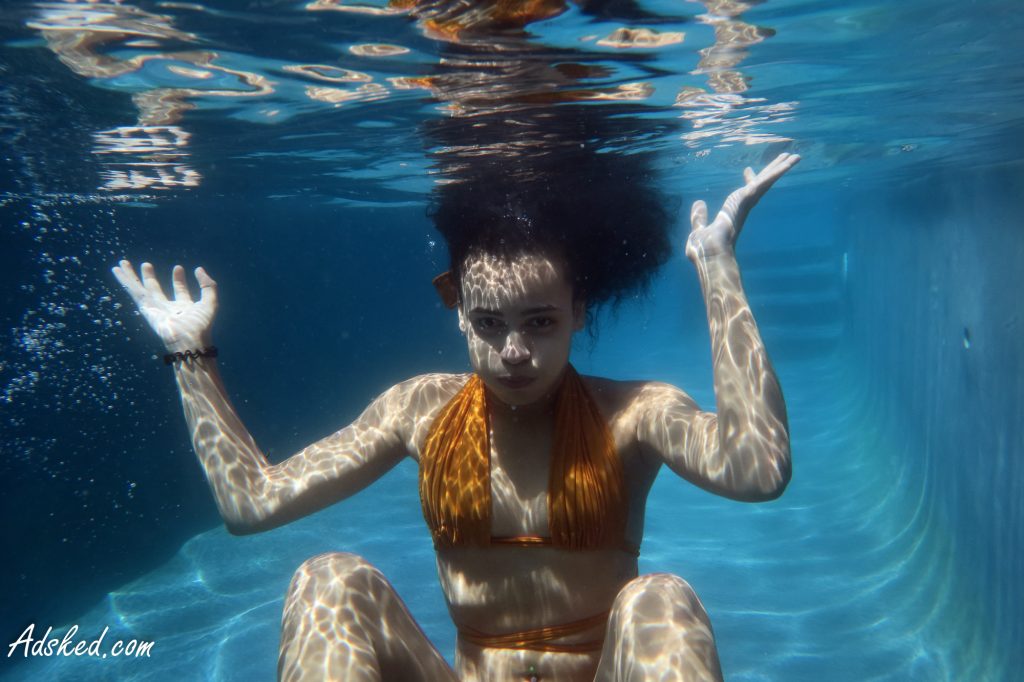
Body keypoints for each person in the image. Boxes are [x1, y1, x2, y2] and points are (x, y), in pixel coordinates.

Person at [112, 152, 797, 682]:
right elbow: (251, 503)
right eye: (490, 324)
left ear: (578, 314)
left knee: (661, 601)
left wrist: (716, 269)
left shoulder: (636, 414)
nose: (515, 351)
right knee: (326, 581)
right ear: (459, 314)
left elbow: (758, 468)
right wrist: (190, 352)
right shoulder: (418, 409)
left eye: (540, 322)